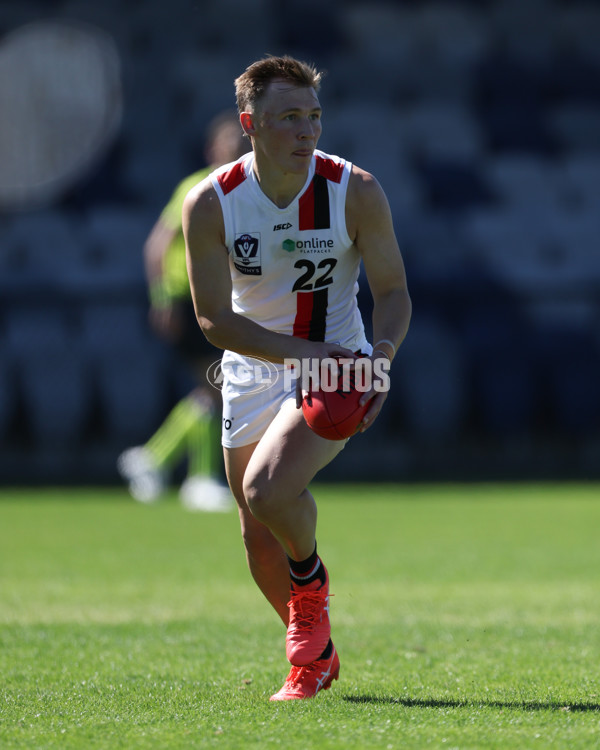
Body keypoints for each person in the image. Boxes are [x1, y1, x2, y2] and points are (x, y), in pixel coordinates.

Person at [183, 56, 411, 699]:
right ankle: (320, 651)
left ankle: (308, 605)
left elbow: (394, 292)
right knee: (257, 540)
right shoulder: (211, 202)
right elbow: (212, 320)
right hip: (251, 367)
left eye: (313, 116)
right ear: (249, 122)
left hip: (336, 367)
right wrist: (297, 355)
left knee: (267, 489)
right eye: (288, 117)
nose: (306, 130)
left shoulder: (354, 189)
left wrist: (380, 361)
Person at [117, 111, 248, 511]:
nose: (240, 149)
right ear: (213, 148)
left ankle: (156, 459)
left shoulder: (245, 192)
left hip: (221, 302)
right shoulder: (198, 187)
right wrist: (161, 300)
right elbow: (157, 245)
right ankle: (194, 477)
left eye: (244, 143)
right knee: (218, 387)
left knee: (215, 389)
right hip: (188, 300)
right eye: (232, 142)